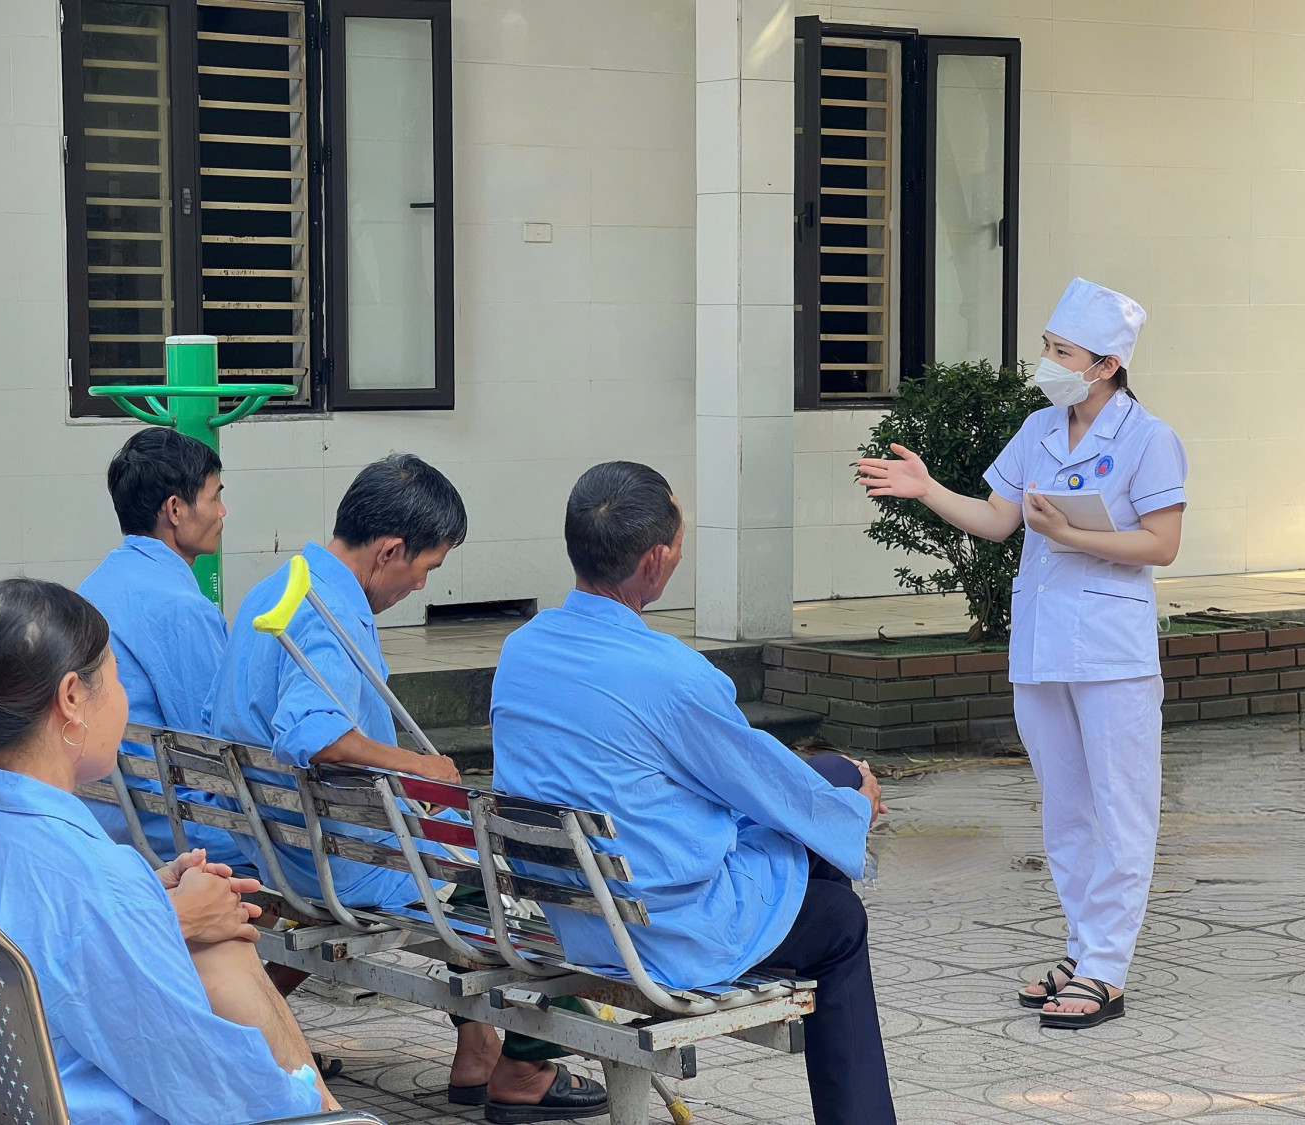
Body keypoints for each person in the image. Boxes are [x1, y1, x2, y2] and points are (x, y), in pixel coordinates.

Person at [205, 452, 608, 1123]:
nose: (421, 585)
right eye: (427, 567)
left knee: (467, 854)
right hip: (333, 860)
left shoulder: (279, 586)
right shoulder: (329, 612)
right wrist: (418, 767)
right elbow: (311, 732)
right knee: (516, 866)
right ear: (390, 550)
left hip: (266, 840)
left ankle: (477, 1052)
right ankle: (526, 1069)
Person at [490, 462, 897, 1125]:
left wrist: (835, 793)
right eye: (680, 540)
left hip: (574, 911)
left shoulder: (522, 649)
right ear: (655, 561)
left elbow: (751, 778)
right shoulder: (672, 674)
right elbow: (757, 781)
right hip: (659, 932)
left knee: (824, 784)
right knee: (838, 917)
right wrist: (856, 801)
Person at [0, 579, 347, 1123]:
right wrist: (307, 1099)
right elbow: (214, 1090)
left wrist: (149, 905)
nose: (124, 699)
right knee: (225, 954)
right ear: (71, 698)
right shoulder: (95, 883)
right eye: (116, 678)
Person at [858, 277, 1187, 1030]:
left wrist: (1072, 534)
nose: (1047, 361)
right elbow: (997, 519)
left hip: (1111, 652)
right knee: (1066, 811)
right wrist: (927, 488)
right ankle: (1082, 948)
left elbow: (1162, 544)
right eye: (1047, 346)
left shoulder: (1148, 438)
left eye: (1061, 351)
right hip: (1041, 645)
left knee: (1121, 809)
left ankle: (1106, 968)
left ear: (1105, 365)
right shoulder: (1039, 428)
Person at [79, 427, 245, 867]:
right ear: (175, 509)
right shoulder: (181, 608)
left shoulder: (95, 585)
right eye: (214, 497)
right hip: (169, 824)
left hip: (100, 812)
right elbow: (216, 744)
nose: (223, 511)